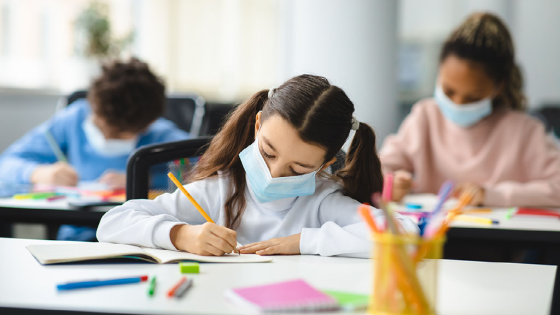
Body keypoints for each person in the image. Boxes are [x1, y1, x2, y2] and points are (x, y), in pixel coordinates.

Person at [97, 74, 417, 257]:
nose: (274, 175)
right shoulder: (220, 189)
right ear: (257, 125)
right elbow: (112, 222)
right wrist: (181, 235)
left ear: (326, 163)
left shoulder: (322, 200)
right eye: (268, 152)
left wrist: (303, 242)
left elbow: (406, 232)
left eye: (297, 169)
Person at [380, 12, 560, 207]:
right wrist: (389, 183)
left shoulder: (525, 131)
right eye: (448, 91)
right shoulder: (425, 117)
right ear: (439, 72)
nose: (457, 103)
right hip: (430, 234)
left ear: (498, 87)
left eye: (473, 97)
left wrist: (493, 195)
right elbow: (376, 167)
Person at [0, 58, 190, 240]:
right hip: (76, 238)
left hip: (139, 237)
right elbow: (7, 164)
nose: (105, 136)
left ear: (147, 125)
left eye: (118, 133)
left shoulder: (163, 136)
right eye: (100, 125)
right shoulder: (73, 120)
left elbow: (206, 172)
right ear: (93, 105)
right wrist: (37, 173)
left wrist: (143, 178)